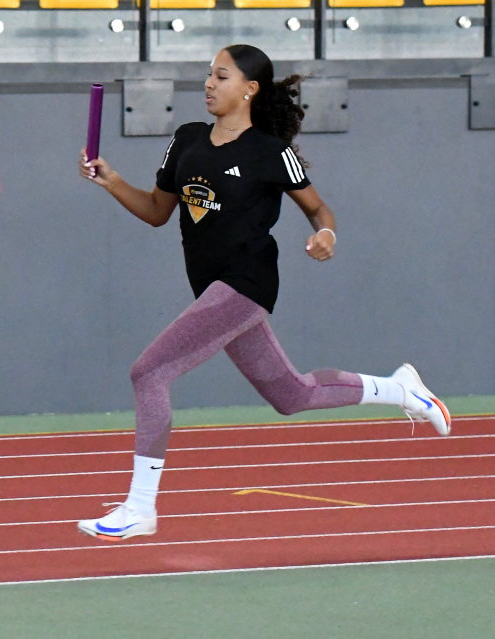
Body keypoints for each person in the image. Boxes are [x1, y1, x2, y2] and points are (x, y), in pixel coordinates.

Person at [76, 44, 450, 542]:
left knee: (149, 372)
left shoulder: (271, 152)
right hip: (212, 288)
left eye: (222, 76)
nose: (210, 83)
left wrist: (326, 236)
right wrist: (112, 181)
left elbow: (320, 210)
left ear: (249, 89)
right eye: (209, 75)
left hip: (247, 283)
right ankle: (403, 389)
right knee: (290, 395)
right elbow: (155, 211)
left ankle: (140, 507)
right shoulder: (186, 139)